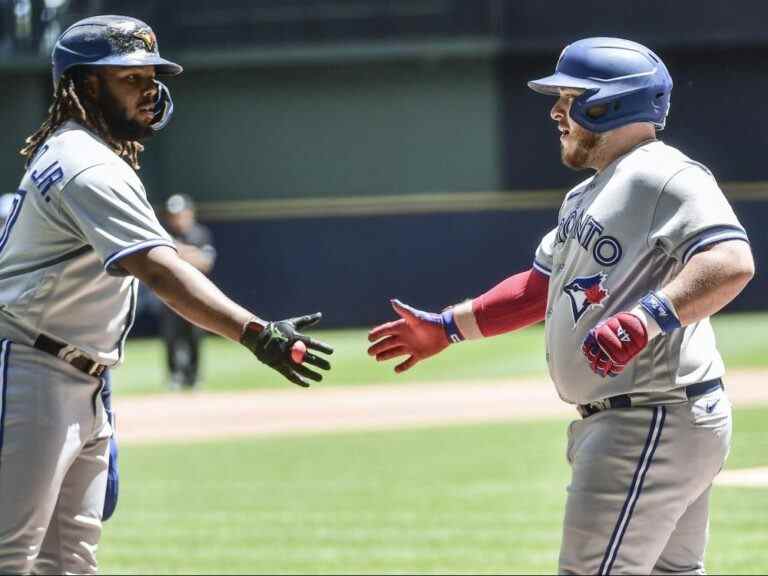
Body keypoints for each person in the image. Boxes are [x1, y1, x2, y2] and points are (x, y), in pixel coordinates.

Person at [368, 37, 753, 575]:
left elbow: (731, 260)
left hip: (649, 415)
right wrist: (448, 329)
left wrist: (645, 319)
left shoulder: (664, 174)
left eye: (569, 97)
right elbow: (538, 289)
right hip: (652, 416)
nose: (555, 112)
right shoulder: (590, 192)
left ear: (609, 103)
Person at [0, 15, 332, 573]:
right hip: (34, 372)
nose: (149, 89)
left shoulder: (84, 152)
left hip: (71, 375)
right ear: (85, 86)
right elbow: (159, 271)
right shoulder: (86, 164)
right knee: (11, 555)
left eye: (152, 75)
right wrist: (258, 333)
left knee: (68, 563)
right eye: (129, 77)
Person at [160, 193, 217, 388]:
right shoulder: (163, 234)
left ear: (190, 213)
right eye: (173, 215)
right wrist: (189, 253)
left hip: (197, 294)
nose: (177, 219)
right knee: (171, 336)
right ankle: (175, 376)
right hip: (169, 295)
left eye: (180, 214)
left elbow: (205, 262)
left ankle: (193, 376)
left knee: (194, 336)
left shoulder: (200, 234)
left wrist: (177, 252)